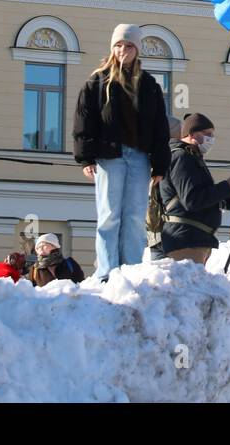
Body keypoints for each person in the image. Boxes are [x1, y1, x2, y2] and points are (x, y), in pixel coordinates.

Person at [74, 24, 172, 278]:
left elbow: (160, 126)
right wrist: (85, 157)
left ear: (137, 49)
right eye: (118, 45)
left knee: (134, 216)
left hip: (139, 156)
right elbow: (84, 120)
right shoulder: (97, 81)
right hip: (109, 156)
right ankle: (107, 271)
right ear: (112, 47)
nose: (123, 50)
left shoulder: (149, 84)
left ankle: (130, 270)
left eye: (128, 45)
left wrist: (160, 163)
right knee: (109, 216)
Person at [159, 114, 230, 264]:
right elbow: (192, 200)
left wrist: (228, 195)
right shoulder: (182, 157)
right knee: (188, 287)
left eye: (212, 135)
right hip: (186, 239)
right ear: (192, 134)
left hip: (195, 238)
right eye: (207, 134)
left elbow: (201, 197)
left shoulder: (191, 157)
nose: (211, 139)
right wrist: (227, 186)